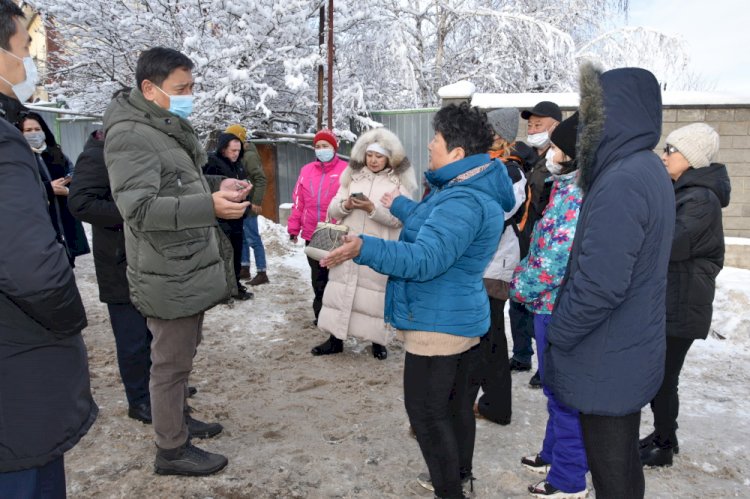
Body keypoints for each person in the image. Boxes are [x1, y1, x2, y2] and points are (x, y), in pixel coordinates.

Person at [322, 103, 515, 499]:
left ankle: (450, 490)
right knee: (457, 407)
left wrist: (364, 247)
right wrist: (401, 206)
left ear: (458, 153)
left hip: (437, 323)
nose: (429, 145)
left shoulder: (461, 199)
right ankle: (459, 476)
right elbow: (438, 228)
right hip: (457, 314)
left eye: (437, 139)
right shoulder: (467, 187)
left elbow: (425, 258)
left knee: (428, 414)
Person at [104, 47, 252, 476]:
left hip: (183, 265)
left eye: (191, 86)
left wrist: (217, 183)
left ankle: (179, 422)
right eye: (181, 88)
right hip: (167, 270)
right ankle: (171, 449)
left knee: (182, 356)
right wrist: (209, 205)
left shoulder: (161, 127)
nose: (189, 95)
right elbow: (142, 209)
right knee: (169, 364)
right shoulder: (131, 134)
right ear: (149, 89)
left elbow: (176, 183)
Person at [544, 63, 675, 499]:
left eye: (593, 110)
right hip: (623, 349)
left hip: (606, 355)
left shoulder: (623, 180)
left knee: (612, 474)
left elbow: (601, 284)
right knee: (617, 468)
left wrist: (560, 335)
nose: (586, 123)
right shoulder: (643, 168)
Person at [0, 2, 97, 494]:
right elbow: (29, 268)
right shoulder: (3, 144)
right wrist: (68, 320)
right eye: (23, 47)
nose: (29, 61)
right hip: (16, 368)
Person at [639, 123, 730, 467]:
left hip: (682, 301)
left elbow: (671, 242)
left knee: (663, 377)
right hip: (674, 297)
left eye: (671, 151)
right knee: (662, 376)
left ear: (691, 158)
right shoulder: (685, 190)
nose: (664, 157)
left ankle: (663, 444)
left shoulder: (700, 198)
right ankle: (666, 436)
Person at [511, 113, 588, 498]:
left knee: (564, 396)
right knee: (556, 391)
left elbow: (554, 258)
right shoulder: (564, 186)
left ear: (573, 154)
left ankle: (569, 480)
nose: (551, 153)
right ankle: (552, 454)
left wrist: (520, 286)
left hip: (554, 305)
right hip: (547, 305)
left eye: (557, 147)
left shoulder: (576, 195)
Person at [68, 128, 154, 424]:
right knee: (132, 337)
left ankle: (158, 387)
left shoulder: (134, 149)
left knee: (155, 331)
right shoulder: (96, 155)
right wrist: (132, 212)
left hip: (148, 257)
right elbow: (80, 203)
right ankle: (139, 399)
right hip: (118, 260)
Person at [313, 127, 417, 360]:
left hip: (379, 248)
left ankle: (377, 341)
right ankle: (335, 339)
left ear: (390, 157)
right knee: (340, 290)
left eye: (379, 156)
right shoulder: (352, 177)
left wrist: (372, 209)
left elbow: (400, 219)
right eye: (370, 155)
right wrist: (347, 205)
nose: (373, 160)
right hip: (347, 244)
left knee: (374, 295)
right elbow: (333, 209)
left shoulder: (398, 183)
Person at [475, 107, 526, 425]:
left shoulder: (511, 173)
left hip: (495, 266)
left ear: (501, 137)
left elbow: (496, 215)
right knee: (485, 336)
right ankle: (493, 401)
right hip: (483, 264)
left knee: (490, 338)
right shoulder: (488, 166)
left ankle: (497, 405)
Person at [511, 101, 562, 388]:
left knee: (542, 305)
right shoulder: (532, 159)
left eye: (538, 124)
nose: (532, 129)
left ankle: (546, 365)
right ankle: (521, 354)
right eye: (530, 125)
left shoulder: (559, 161)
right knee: (517, 297)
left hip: (546, 243)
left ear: (555, 125)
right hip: (524, 236)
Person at [288, 129, 348, 324]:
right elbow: (299, 202)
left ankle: (339, 316)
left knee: (337, 278)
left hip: (337, 233)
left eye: (326, 146)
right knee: (319, 279)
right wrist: (293, 228)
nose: (321, 150)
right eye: (318, 147)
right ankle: (321, 315)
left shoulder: (346, 170)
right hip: (313, 233)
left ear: (334, 148)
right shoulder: (306, 171)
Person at [17, 111, 91, 267]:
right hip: (39, 231)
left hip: (65, 225)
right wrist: (47, 189)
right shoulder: (17, 159)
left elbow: (74, 177)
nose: (34, 133)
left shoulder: (56, 154)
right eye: (28, 131)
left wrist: (70, 189)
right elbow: (17, 190)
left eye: (37, 129)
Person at [203, 131, 254, 301]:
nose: (236, 154)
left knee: (236, 253)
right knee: (224, 254)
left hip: (237, 218)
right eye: (233, 150)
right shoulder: (212, 163)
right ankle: (223, 290)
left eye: (238, 151)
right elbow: (204, 186)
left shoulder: (238, 165)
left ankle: (235, 286)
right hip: (220, 219)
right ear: (223, 149)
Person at [225, 124, 270, 286]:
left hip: (249, 204)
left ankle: (262, 272)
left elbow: (261, 179)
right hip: (240, 203)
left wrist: (256, 202)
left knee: (253, 238)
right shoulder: (238, 155)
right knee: (242, 236)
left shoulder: (249, 156)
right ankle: (244, 267)